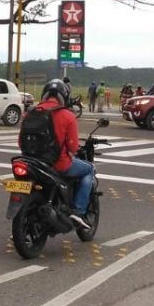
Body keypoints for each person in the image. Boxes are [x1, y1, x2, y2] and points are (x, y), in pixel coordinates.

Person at [26, 79, 96, 230]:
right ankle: (78, 211)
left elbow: (21, 142)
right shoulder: (67, 115)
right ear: (63, 96)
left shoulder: (31, 112)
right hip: (57, 163)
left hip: (30, 162)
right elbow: (72, 146)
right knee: (89, 169)